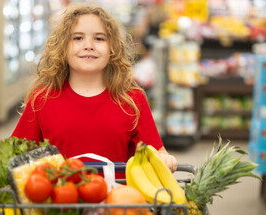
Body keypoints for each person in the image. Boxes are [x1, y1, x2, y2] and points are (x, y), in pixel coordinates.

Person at [11, 3, 178, 176]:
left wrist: (164, 157)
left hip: (117, 200)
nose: (88, 45)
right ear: (63, 47)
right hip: (59, 199)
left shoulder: (132, 100)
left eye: (99, 38)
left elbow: (158, 151)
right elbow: (15, 154)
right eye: (77, 38)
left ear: (112, 49)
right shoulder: (42, 99)